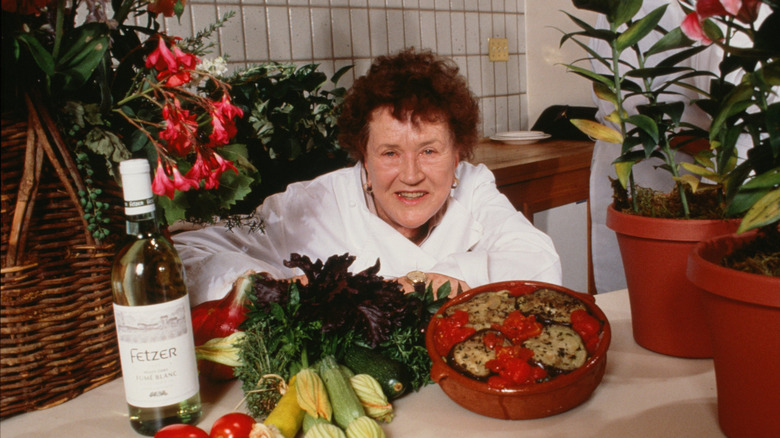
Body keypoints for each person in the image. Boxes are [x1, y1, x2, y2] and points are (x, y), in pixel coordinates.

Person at [174, 48, 562, 306]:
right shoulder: (311, 203)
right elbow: (186, 250)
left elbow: (542, 265)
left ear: (457, 152)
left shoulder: (473, 187)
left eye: (429, 151)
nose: (411, 175)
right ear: (362, 155)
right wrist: (266, 286)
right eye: (390, 153)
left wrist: (425, 283)